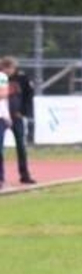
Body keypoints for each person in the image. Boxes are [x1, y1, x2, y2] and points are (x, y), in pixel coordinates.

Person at [0, 56, 34, 187]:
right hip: (2, 116)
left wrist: (24, 112)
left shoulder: (22, 78)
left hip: (16, 116)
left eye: (10, 68)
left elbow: (29, 95)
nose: (8, 71)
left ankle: (24, 175)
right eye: (5, 68)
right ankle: (1, 178)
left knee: (21, 146)